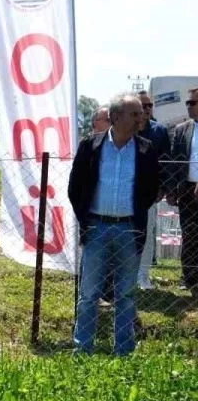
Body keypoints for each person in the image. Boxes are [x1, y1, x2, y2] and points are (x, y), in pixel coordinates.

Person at [68, 93, 160, 355]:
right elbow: (75, 188)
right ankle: (82, 349)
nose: (141, 117)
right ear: (115, 117)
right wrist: (85, 220)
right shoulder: (90, 146)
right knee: (88, 295)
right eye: (135, 113)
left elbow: (151, 189)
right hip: (96, 228)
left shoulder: (146, 149)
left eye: (141, 113)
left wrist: (135, 213)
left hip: (129, 230)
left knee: (126, 295)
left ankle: (123, 351)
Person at [134, 91, 171, 290]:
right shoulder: (125, 129)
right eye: (143, 105)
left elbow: (167, 163)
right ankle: (126, 275)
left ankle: (143, 276)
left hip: (149, 194)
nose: (147, 109)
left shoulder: (160, 131)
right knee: (125, 234)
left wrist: (163, 188)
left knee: (147, 235)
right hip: (124, 192)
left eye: (150, 106)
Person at [166, 86, 198, 297]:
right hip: (187, 189)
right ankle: (190, 280)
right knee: (189, 234)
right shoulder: (181, 130)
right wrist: (171, 189)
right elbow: (174, 163)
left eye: (192, 103)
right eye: (187, 102)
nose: (188, 106)